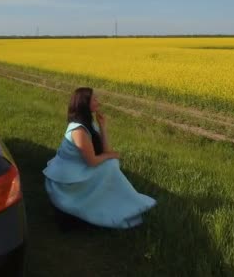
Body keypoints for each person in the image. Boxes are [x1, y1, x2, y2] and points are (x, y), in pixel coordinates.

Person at [43, 87, 156, 229]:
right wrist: (110, 155)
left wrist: (103, 126)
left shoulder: (88, 124)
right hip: (66, 180)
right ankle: (123, 205)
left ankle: (117, 204)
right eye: (94, 99)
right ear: (85, 104)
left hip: (78, 169)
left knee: (111, 164)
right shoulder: (78, 130)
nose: (98, 101)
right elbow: (93, 161)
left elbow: (105, 151)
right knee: (110, 165)